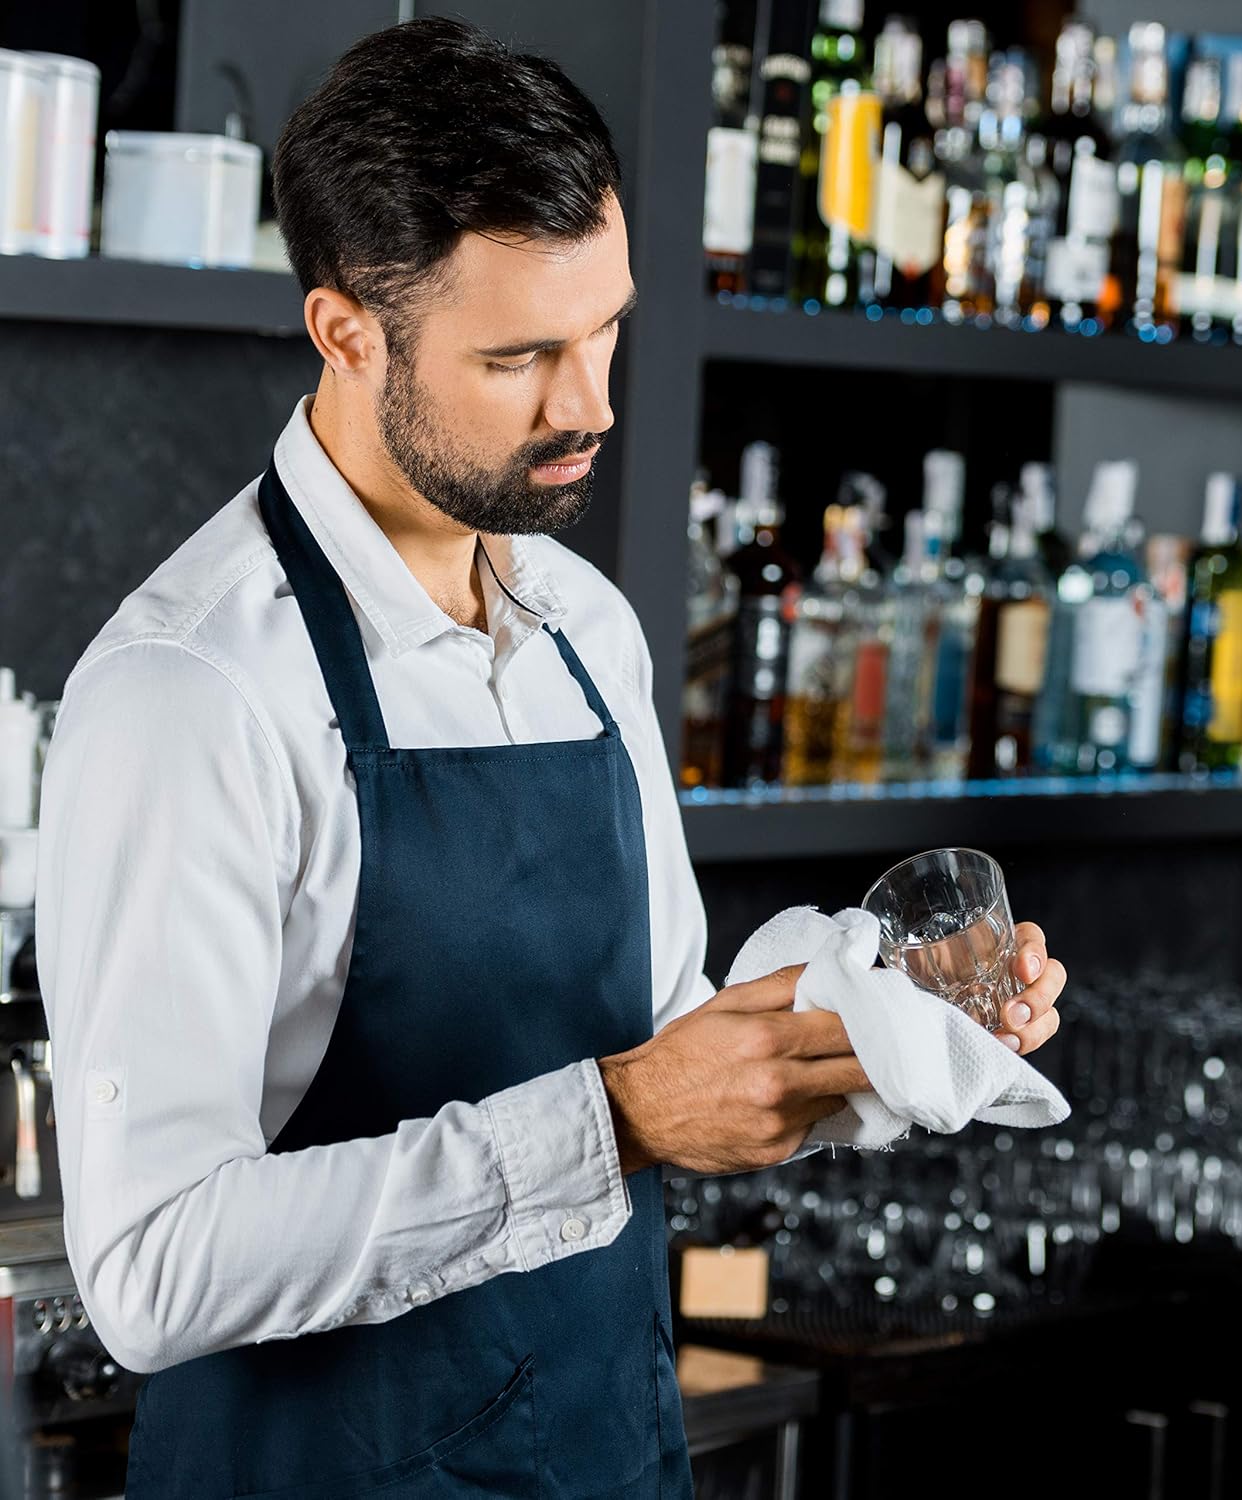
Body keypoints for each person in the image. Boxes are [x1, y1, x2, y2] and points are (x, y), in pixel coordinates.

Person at [35, 18, 1066, 1498]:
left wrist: (881, 1029)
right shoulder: (193, 692)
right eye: (520, 356)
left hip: (608, 1460)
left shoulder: (586, 625)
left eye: (606, 331)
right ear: (346, 333)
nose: (590, 405)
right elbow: (151, 1270)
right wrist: (620, 1118)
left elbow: (659, 1034)